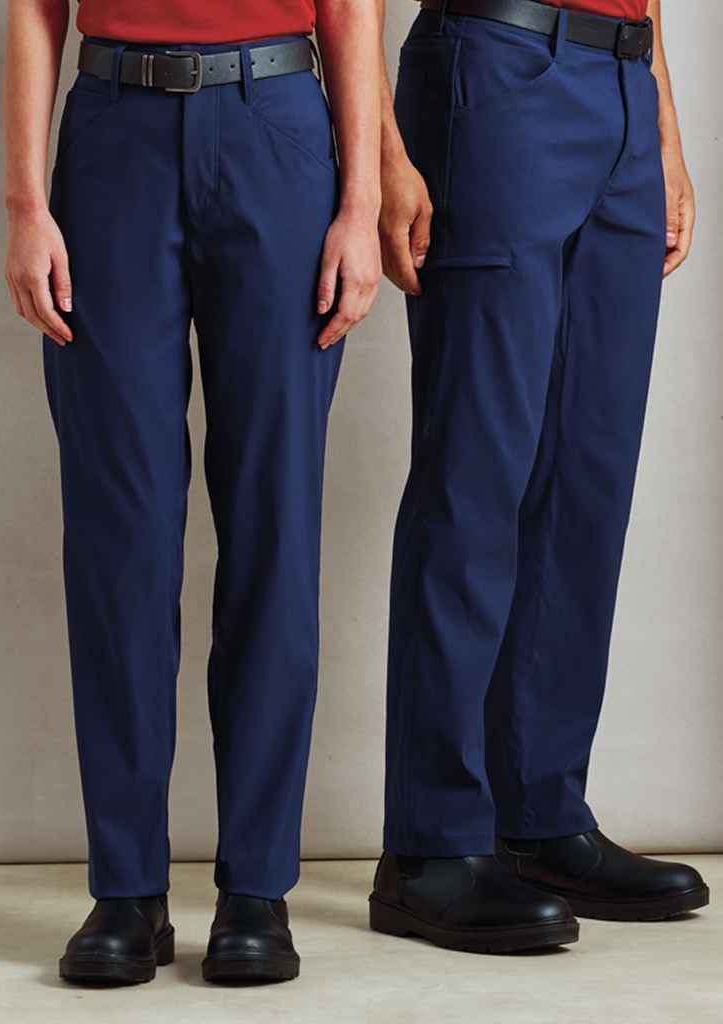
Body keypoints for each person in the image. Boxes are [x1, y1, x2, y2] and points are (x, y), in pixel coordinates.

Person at [3, 0, 381, 986]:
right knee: (119, 535)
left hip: (277, 127)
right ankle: (126, 888)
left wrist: (361, 203)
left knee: (274, 525)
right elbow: (35, 9)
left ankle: (257, 887)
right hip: (113, 137)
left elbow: (351, 8)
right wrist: (26, 205)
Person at [371, 0, 708, 954]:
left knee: (587, 478)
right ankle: (430, 845)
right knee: (476, 472)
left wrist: (661, 120)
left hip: (621, 85)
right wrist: (384, 152)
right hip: (497, 66)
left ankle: (541, 816)